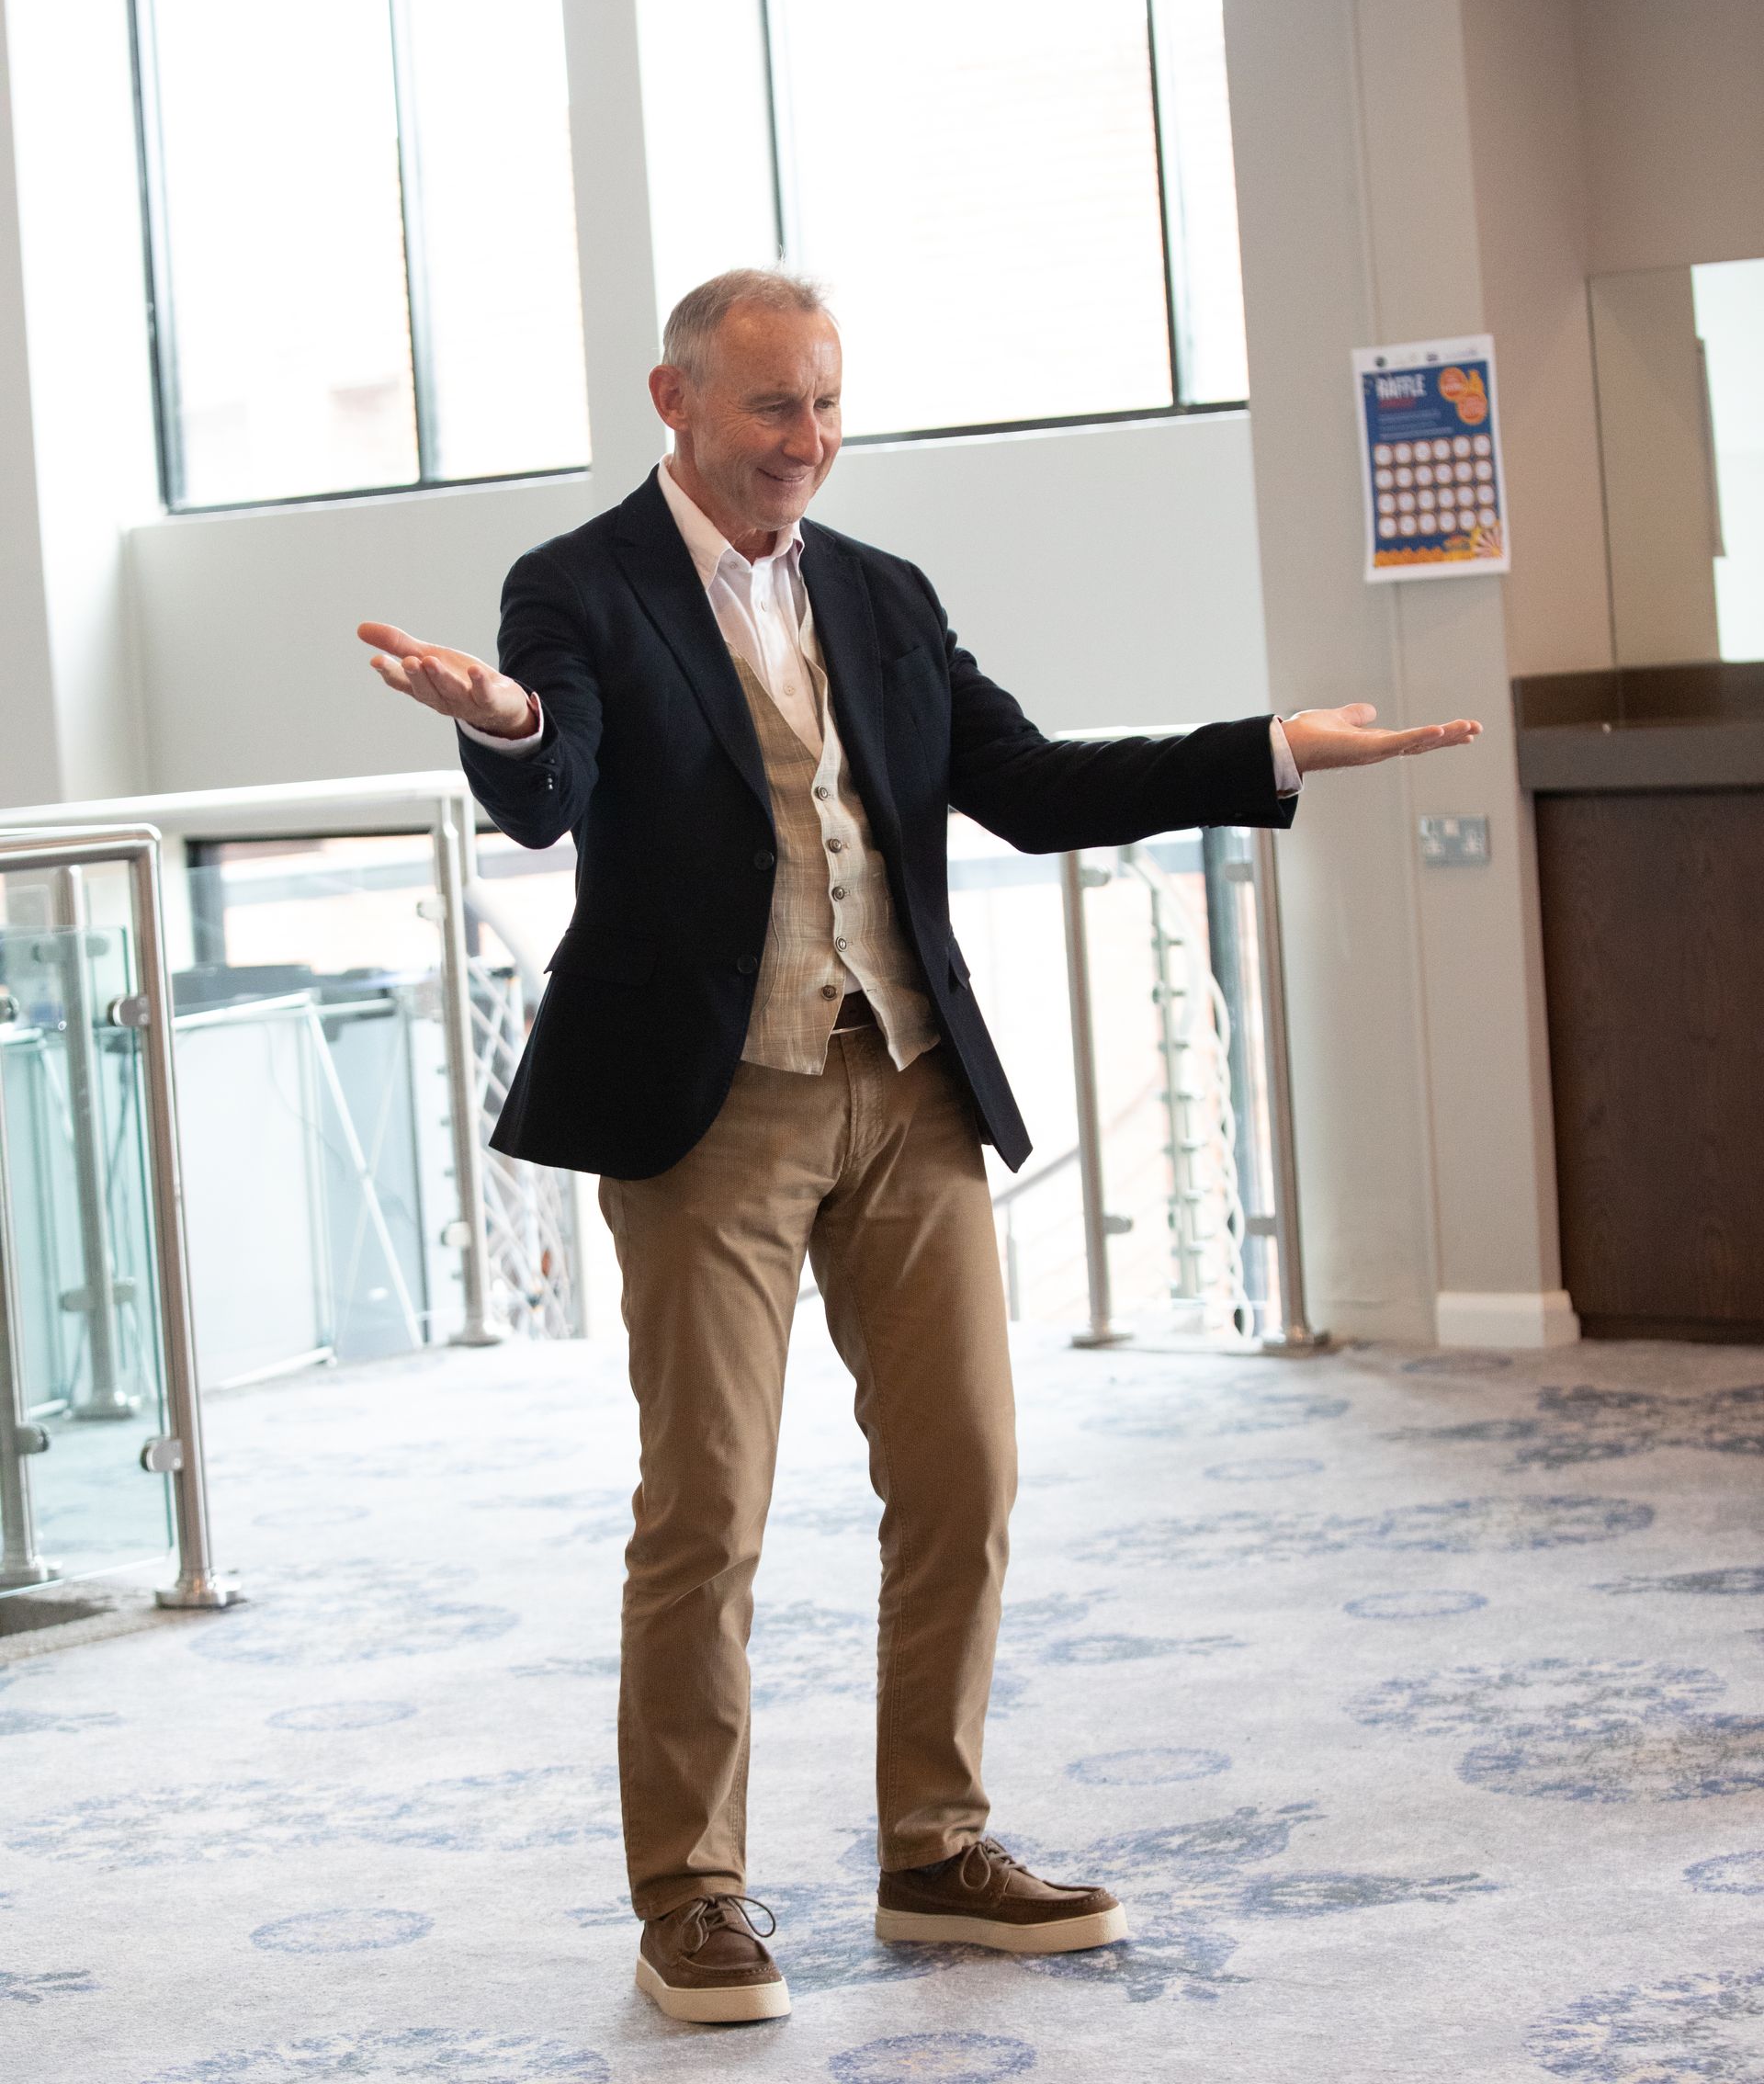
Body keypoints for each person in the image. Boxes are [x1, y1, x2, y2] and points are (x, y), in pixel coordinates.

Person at [358, 268, 1479, 2027]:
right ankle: (694, 1895)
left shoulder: (881, 598)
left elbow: (1031, 785)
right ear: (676, 404)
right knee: (707, 1511)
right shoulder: (578, 586)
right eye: (767, 411)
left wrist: (1267, 749)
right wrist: (495, 716)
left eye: (822, 409)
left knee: (964, 1474)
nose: (803, 445)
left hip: (910, 1086)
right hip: (709, 1101)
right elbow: (553, 775)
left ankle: (935, 1846)